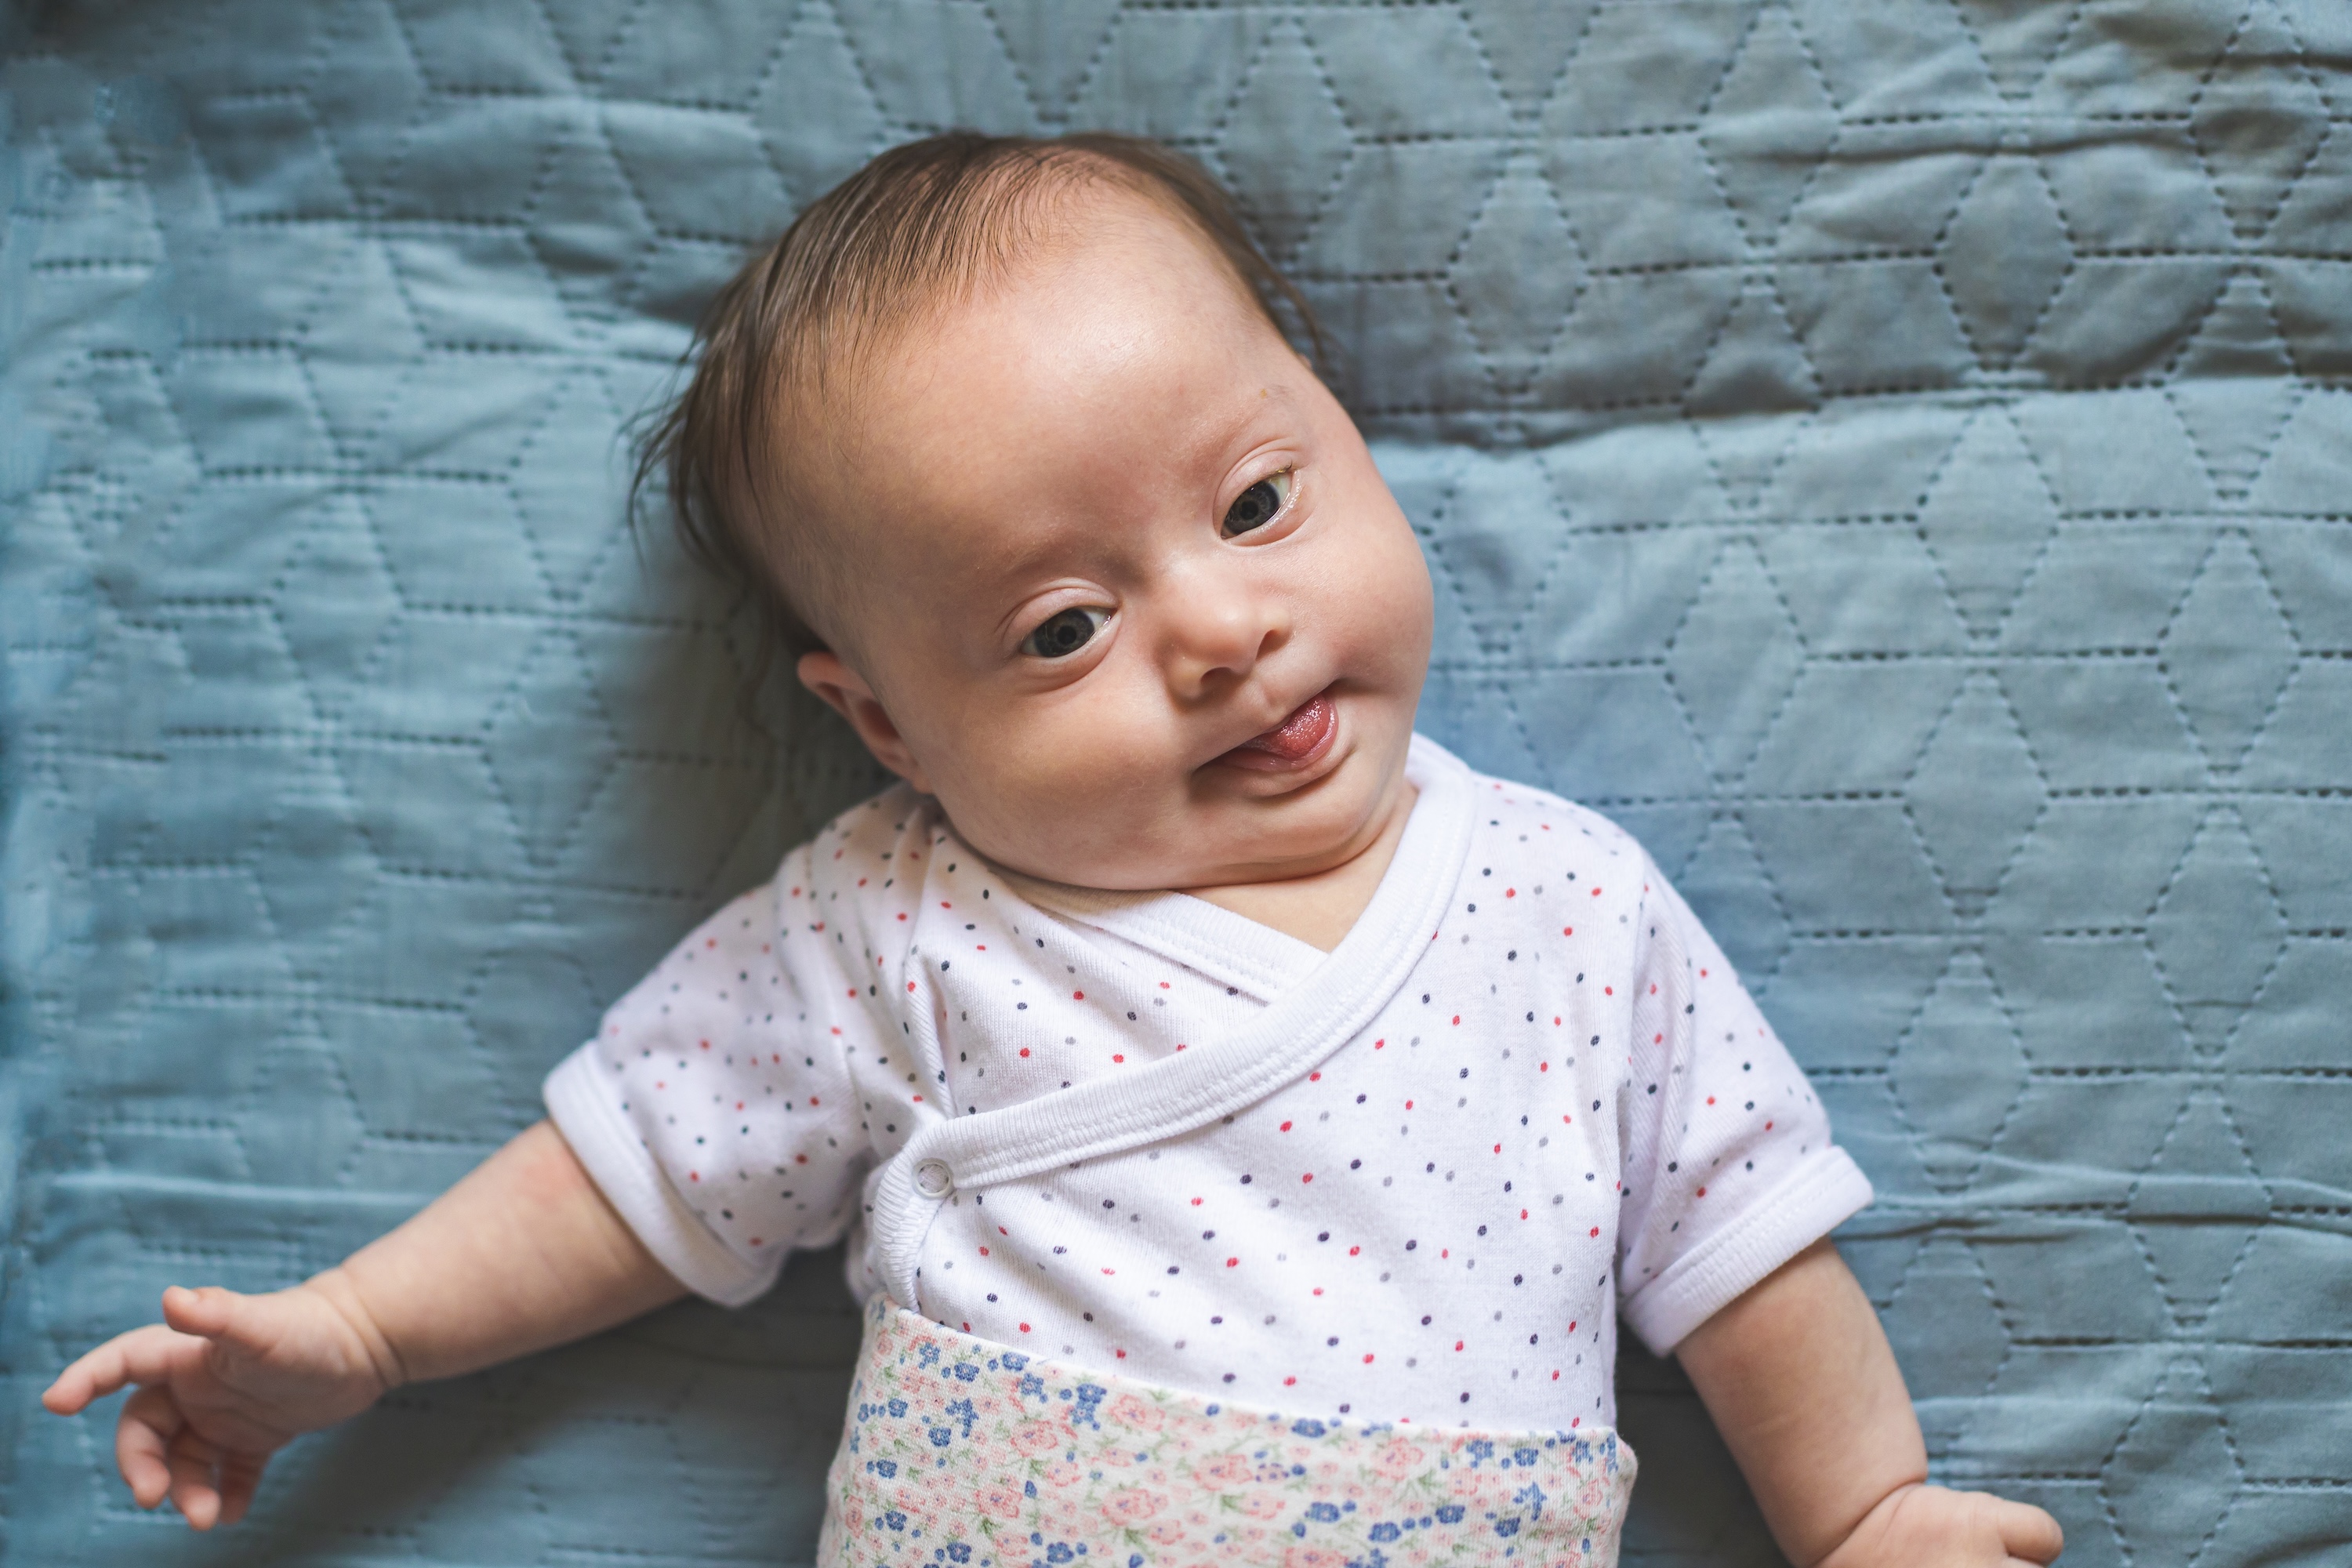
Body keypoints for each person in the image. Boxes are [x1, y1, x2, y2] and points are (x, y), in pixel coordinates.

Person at [43, 132, 2064, 1568]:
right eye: (1062, 629)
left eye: (1260, 502)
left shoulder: (1569, 905)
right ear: (886, 723)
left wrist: (1864, 1512)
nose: (1214, 632)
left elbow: (1739, 1251)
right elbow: (635, 1162)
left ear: (1342, 429)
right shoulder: (901, 921)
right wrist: (371, 1331)